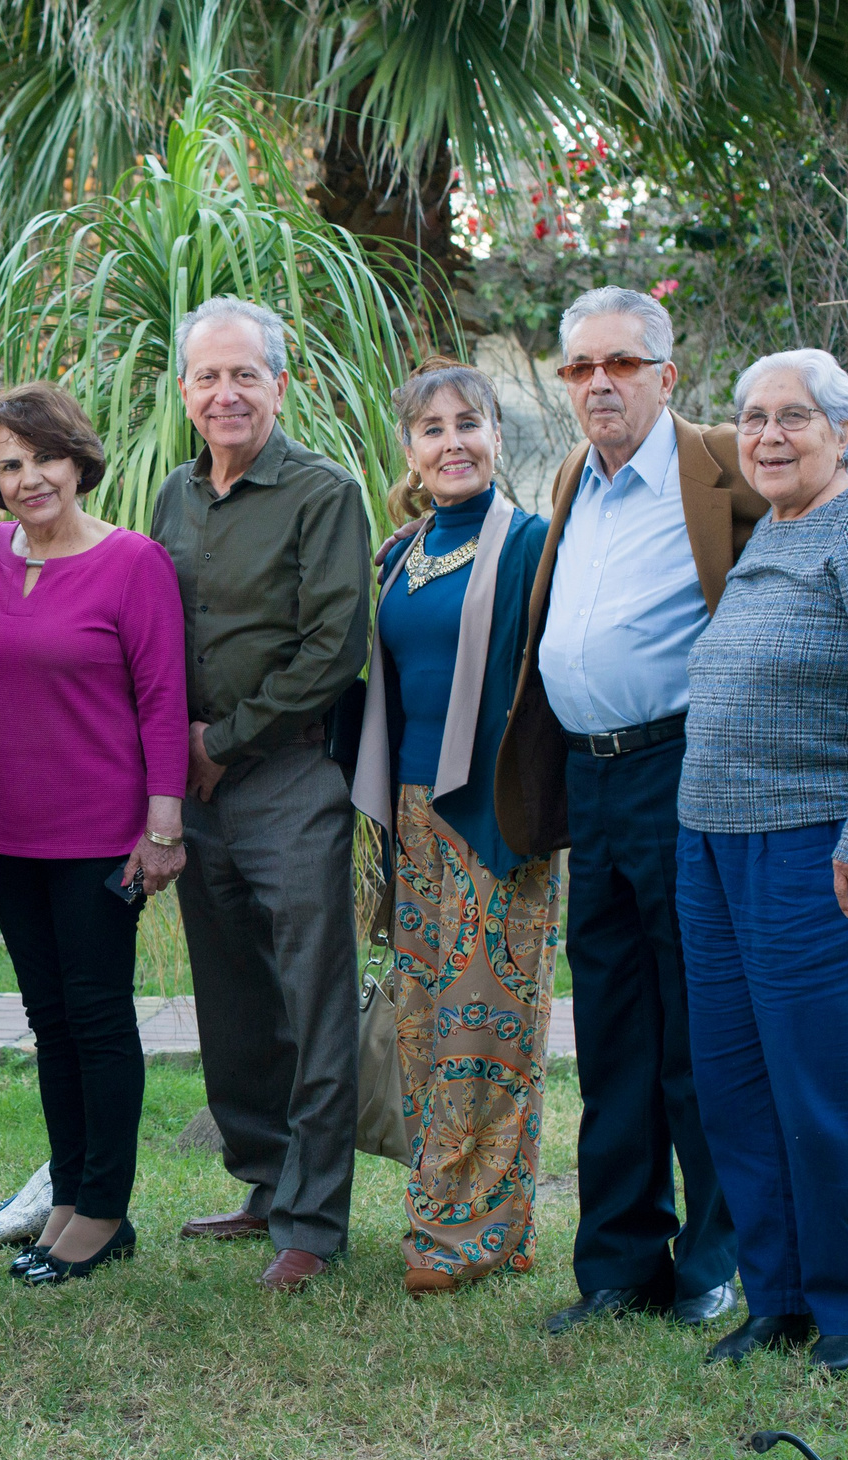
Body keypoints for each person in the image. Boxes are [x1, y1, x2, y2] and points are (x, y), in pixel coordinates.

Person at [494, 285, 848, 1337]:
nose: (599, 382)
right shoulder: (581, 479)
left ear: (664, 374)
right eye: (580, 367)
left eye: (622, 364)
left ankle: (765, 1283)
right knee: (653, 1050)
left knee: (759, 1066)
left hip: (748, 801)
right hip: (642, 805)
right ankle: (658, 1276)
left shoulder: (742, 470)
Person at [679, 350, 848, 1374]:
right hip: (712, 846)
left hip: (823, 847)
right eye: (752, 418)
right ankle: (779, 1299)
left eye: (793, 417)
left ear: (845, 431)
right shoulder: (771, 529)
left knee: (832, 1088)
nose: (767, 436)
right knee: (740, 1087)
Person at [149, 297, 371, 1293]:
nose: (225, 392)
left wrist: (221, 742)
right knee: (233, 1001)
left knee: (312, 999)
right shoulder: (172, 496)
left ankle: (315, 1220)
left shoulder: (322, 492)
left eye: (245, 375)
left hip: (284, 779)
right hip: (194, 793)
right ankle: (263, 1179)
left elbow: (332, 648)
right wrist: (169, 757)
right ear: (185, 389)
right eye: (208, 376)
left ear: (279, 386)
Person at [0, 382, 189, 1286]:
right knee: (48, 1023)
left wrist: (161, 827)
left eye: (44, 456)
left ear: (77, 459)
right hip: (8, 834)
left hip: (103, 836)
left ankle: (105, 1209)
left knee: (96, 1019)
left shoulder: (133, 562)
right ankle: (64, 1194)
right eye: (9, 463)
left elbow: (164, 698)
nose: (28, 477)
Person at [346, 359, 559, 1296]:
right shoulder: (401, 553)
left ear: (497, 436)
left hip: (493, 814)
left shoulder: (531, 545)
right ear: (411, 449)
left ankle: (467, 1231)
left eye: (468, 424)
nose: (452, 443)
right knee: (429, 1024)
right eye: (431, 430)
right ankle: (450, 1216)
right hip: (412, 816)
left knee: (492, 1026)